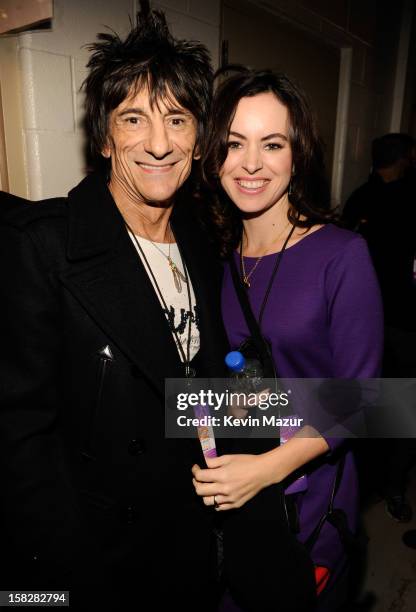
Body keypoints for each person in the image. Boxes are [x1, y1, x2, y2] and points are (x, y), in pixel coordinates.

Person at [0, 5, 228, 610]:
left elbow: (189, 392)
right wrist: (65, 580)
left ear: (199, 140)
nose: (159, 144)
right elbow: (18, 440)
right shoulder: (42, 245)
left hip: (186, 530)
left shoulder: (202, 244)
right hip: (96, 557)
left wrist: (328, 415)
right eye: (134, 119)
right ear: (104, 138)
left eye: (177, 120)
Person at [192, 68, 384, 611]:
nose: (251, 164)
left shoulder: (341, 256)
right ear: (214, 156)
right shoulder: (217, 257)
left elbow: (368, 400)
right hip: (234, 497)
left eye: (272, 144)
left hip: (307, 501)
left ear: (296, 155)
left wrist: (266, 470)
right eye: (234, 144)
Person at [343, 133, 416, 523]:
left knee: (399, 407)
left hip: (400, 320)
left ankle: (390, 487)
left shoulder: (393, 196)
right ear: (404, 158)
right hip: (366, 324)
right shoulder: (361, 199)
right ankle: (374, 485)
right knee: (368, 404)